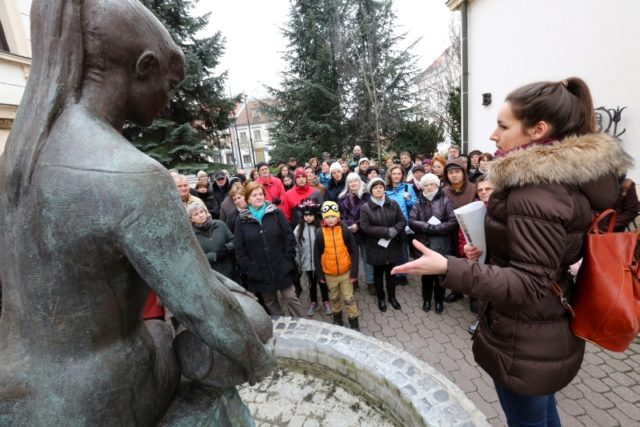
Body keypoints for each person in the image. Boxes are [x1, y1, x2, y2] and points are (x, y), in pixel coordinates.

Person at [0, 0, 275, 423]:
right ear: (143, 68)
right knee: (251, 322)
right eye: (169, 83)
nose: (169, 99)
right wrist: (259, 361)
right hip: (103, 397)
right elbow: (204, 308)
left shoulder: (20, 161)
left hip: (19, 389)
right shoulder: (131, 174)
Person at [392, 77, 631, 426]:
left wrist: (449, 267)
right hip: (539, 331)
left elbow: (529, 282)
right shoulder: (551, 182)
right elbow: (540, 256)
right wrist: (489, 250)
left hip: (525, 339)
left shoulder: (534, 190)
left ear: (538, 130)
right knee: (544, 416)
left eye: (503, 125)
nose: (492, 134)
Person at [234, 182, 304, 317]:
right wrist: (249, 267)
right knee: (270, 301)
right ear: (248, 198)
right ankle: (280, 329)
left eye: (260, 194)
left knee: (290, 297)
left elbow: (289, 236)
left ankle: (304, 325)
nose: (258, 197)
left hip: (281, 265)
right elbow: (239, 247)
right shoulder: (241, 220)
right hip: (259, 270)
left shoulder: (276, 213)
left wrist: (288, 258)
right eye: (254, 195)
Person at [409, 173, 456, 314]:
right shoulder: (418, 201)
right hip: (425, 243)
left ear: (437, 185)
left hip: (441, 243)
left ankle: (439, 301)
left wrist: (436, 228)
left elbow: (452, 221)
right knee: (427, 276)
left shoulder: (445, 200)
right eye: (426, 185)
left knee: (441, 275)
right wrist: (427, 227)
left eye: (432, 184)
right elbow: (411, 221)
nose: (429, 187)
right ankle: (427, 300)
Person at [361, 178, 406, 312]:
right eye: (375, 187)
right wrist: (386, 231)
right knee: (378, 274)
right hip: (376, 246)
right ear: (371, 191)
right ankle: (381, 298)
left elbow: (402, 220)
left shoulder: (393, 203)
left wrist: (395, 230)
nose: (379, 189)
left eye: (381, 187)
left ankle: (392, 297)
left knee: (391, 273)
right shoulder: (365, 208)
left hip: (392, 245)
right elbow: (365, 227)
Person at [314, 201, 360, 330]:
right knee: (334, 297)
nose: (330, 219)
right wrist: (320, 275)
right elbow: (316, 256)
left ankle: (354, 321)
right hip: (329, 274)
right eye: (327, 217)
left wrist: (354, 272)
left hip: (345, 273)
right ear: (323, 218)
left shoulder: (345, 230)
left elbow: (354, 251)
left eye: (333, 216)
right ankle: (338, 318)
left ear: (338, 216)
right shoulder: (319, 233)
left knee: (349, 298)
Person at [293, 199, 331, 316]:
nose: (308, 217)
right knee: (311, 284)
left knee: (323, 282)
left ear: (315, 215)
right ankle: (313, 302)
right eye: (306, 215)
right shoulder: (299, 229)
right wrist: (298, 262)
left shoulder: (321, 227)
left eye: (310, 215)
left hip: (321, 263)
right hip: (307, 263)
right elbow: (296, 247)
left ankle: (326, 301)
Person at [339, 172, 374, 294]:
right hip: (349, 233)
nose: (353, 183)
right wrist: (349, 225)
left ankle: (370, 282)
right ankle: (353, 281)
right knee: (351, 259)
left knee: (367, 259)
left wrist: (357, 225)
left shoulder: (367, 196)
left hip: (364, 232)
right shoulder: (342, 198)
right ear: (347, 184)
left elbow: (369, 214)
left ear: (360, 182)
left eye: (355, 181)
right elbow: (341, 216)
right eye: (350, 181)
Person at [384, 163, 416, 286]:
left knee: (403, 251)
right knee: (391, 250)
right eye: (394, 173)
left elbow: (415, 206)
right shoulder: (385, 189)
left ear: (402, 175)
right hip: (389, 224)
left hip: (404, 225)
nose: (396, 176)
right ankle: (393, 272)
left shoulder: (408, 188)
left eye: (399, 173)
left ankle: (402, 274)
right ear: (390, 175)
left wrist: (408, 199)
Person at [189, 204, 235, 279]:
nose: (200, 215)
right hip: (211, 274)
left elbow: (234, 241)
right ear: (191, 219)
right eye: (196, 214)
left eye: (202, 212)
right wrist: (214, 256)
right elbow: (195, 258)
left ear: (206, 212)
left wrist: (226, 248)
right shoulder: (192, 236)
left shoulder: (220, 224)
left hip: (230, 268)